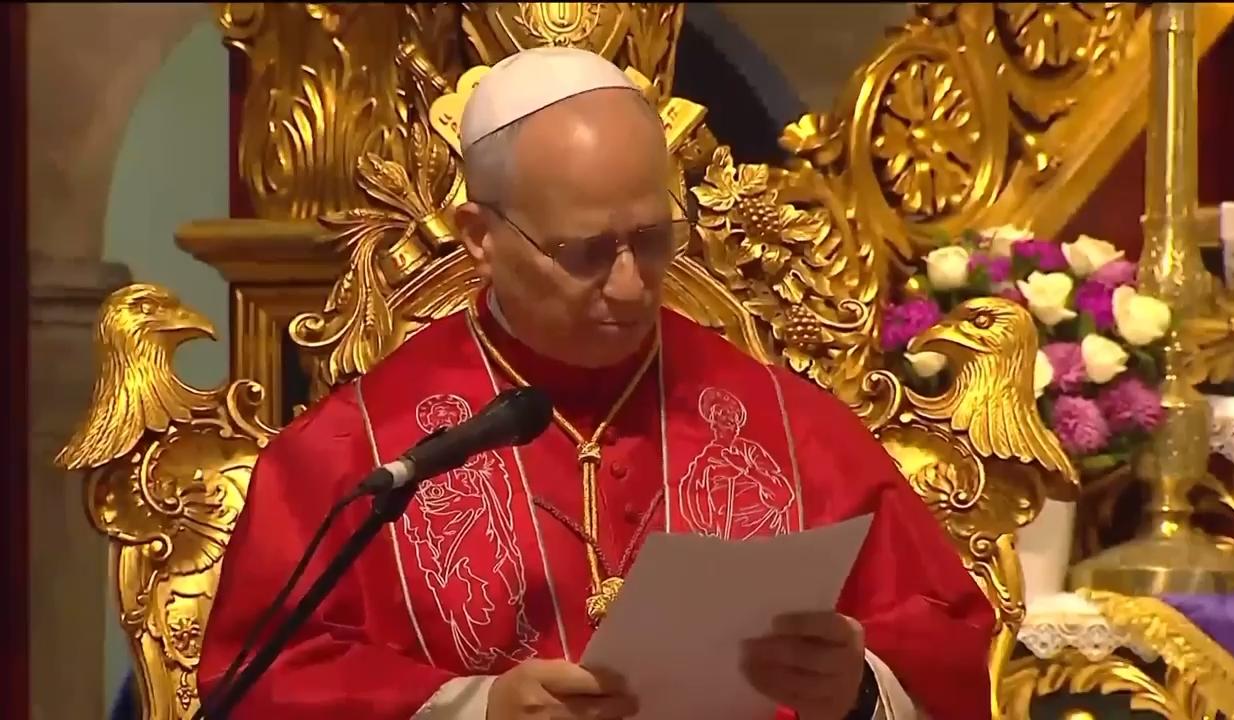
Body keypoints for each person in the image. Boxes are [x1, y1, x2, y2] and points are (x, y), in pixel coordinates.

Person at [197, 46, 994, 720]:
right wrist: (476, 709)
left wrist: (857, 689)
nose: (627, 285)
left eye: (652, 240)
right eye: (584, 252)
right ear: (480, 237)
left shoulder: (793, 429)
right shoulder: (359, 448)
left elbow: (949, 648)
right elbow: (260, 683)